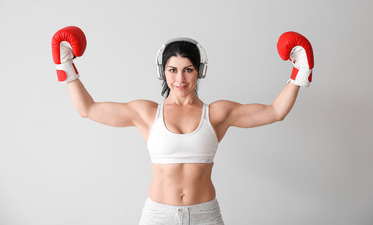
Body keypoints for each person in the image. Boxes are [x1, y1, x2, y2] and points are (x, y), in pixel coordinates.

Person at [51, 27, 314, 225]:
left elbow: (275, 112)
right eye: (172, 69)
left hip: (205, 214)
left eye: (188, 69)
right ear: (162, 72)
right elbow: (89, 109)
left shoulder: (217, 113)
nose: (180, 78)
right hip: (158, 215)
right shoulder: (146, 112)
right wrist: (66, 67)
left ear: (199, 71)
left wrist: (299, 73)